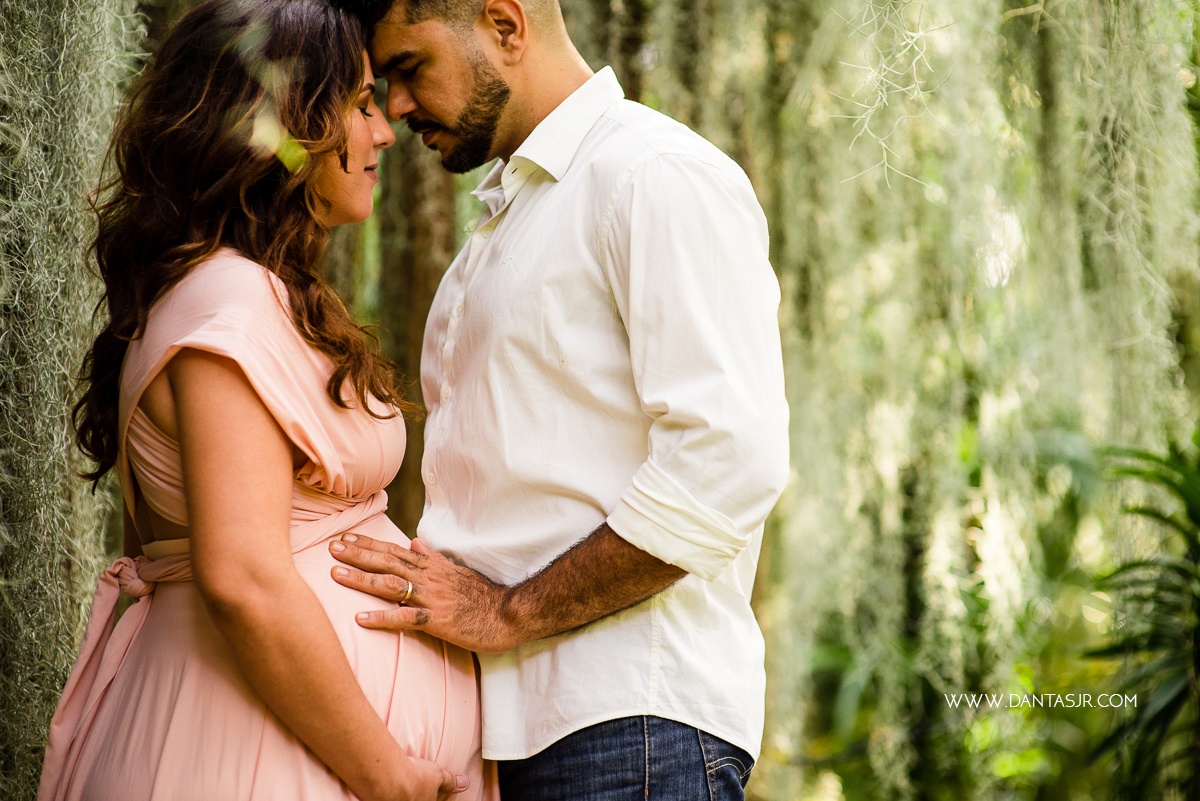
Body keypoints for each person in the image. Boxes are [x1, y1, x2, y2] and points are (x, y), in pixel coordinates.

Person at [326, 1, 790, 798]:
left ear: (506, 25)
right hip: (515, 737)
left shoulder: (652, 175)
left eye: (410, 69)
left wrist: (506, 613)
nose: (396, 108)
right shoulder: (517, 214)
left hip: (631, 728)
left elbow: (729, 461)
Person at [38, 2, 494, 799]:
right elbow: (242, 576)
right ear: (281, 128)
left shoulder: (259, 295)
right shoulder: (228, 302)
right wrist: (385, 773)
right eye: (356, 104)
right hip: (244, 756)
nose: (383, 130)